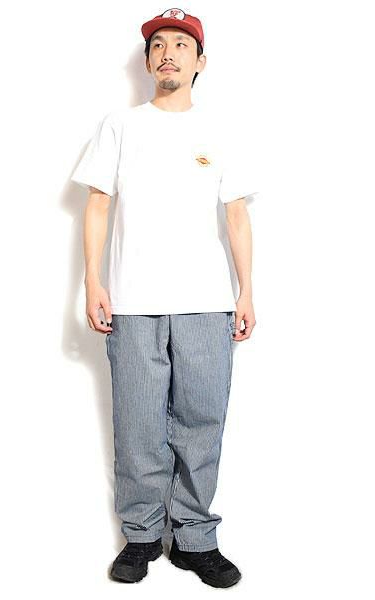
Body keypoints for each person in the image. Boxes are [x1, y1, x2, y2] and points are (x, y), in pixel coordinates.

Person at [70, 8, 258, 588]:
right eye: (158, 45)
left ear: (200, 61)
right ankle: (143, 535)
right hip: (132, 301)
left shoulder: (220, 129)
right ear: (149, 61)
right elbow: (98, 204)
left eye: (180, 44)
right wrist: (93, 280)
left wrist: (247, 290)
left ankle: (196, 538)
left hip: (207, 300)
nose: (168, 52)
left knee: (202, 421)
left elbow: (236, 215)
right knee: (138, 424)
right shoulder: (120, 126)